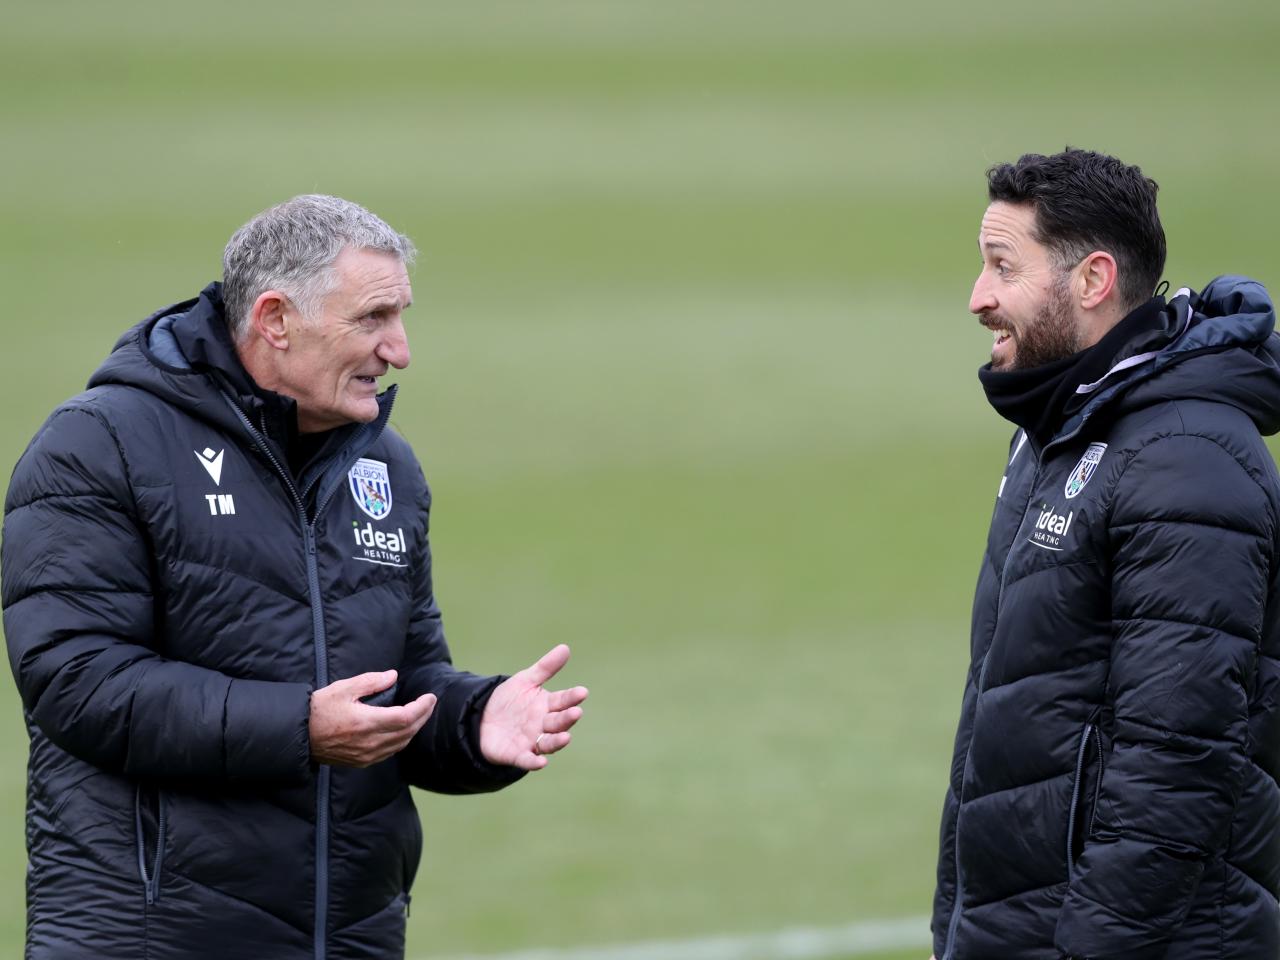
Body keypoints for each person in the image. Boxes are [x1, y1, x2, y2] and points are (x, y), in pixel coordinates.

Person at [1, 195, 588, 959]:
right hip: (153, 936)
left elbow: (399, 687)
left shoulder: (384, 465)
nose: (400, 350)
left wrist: (471, 723)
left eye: (402, 316)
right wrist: (299, 730)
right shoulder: (101, 443)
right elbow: (76, 680)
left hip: (344, 936)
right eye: (373, 319)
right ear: (276, 319)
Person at [930, 150, 1280, 959]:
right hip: (1024, 926)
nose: (977, 297)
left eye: (1001, 267)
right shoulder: (1057, 426)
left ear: (1092, 281)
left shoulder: (1188, 455)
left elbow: (1178, 762)